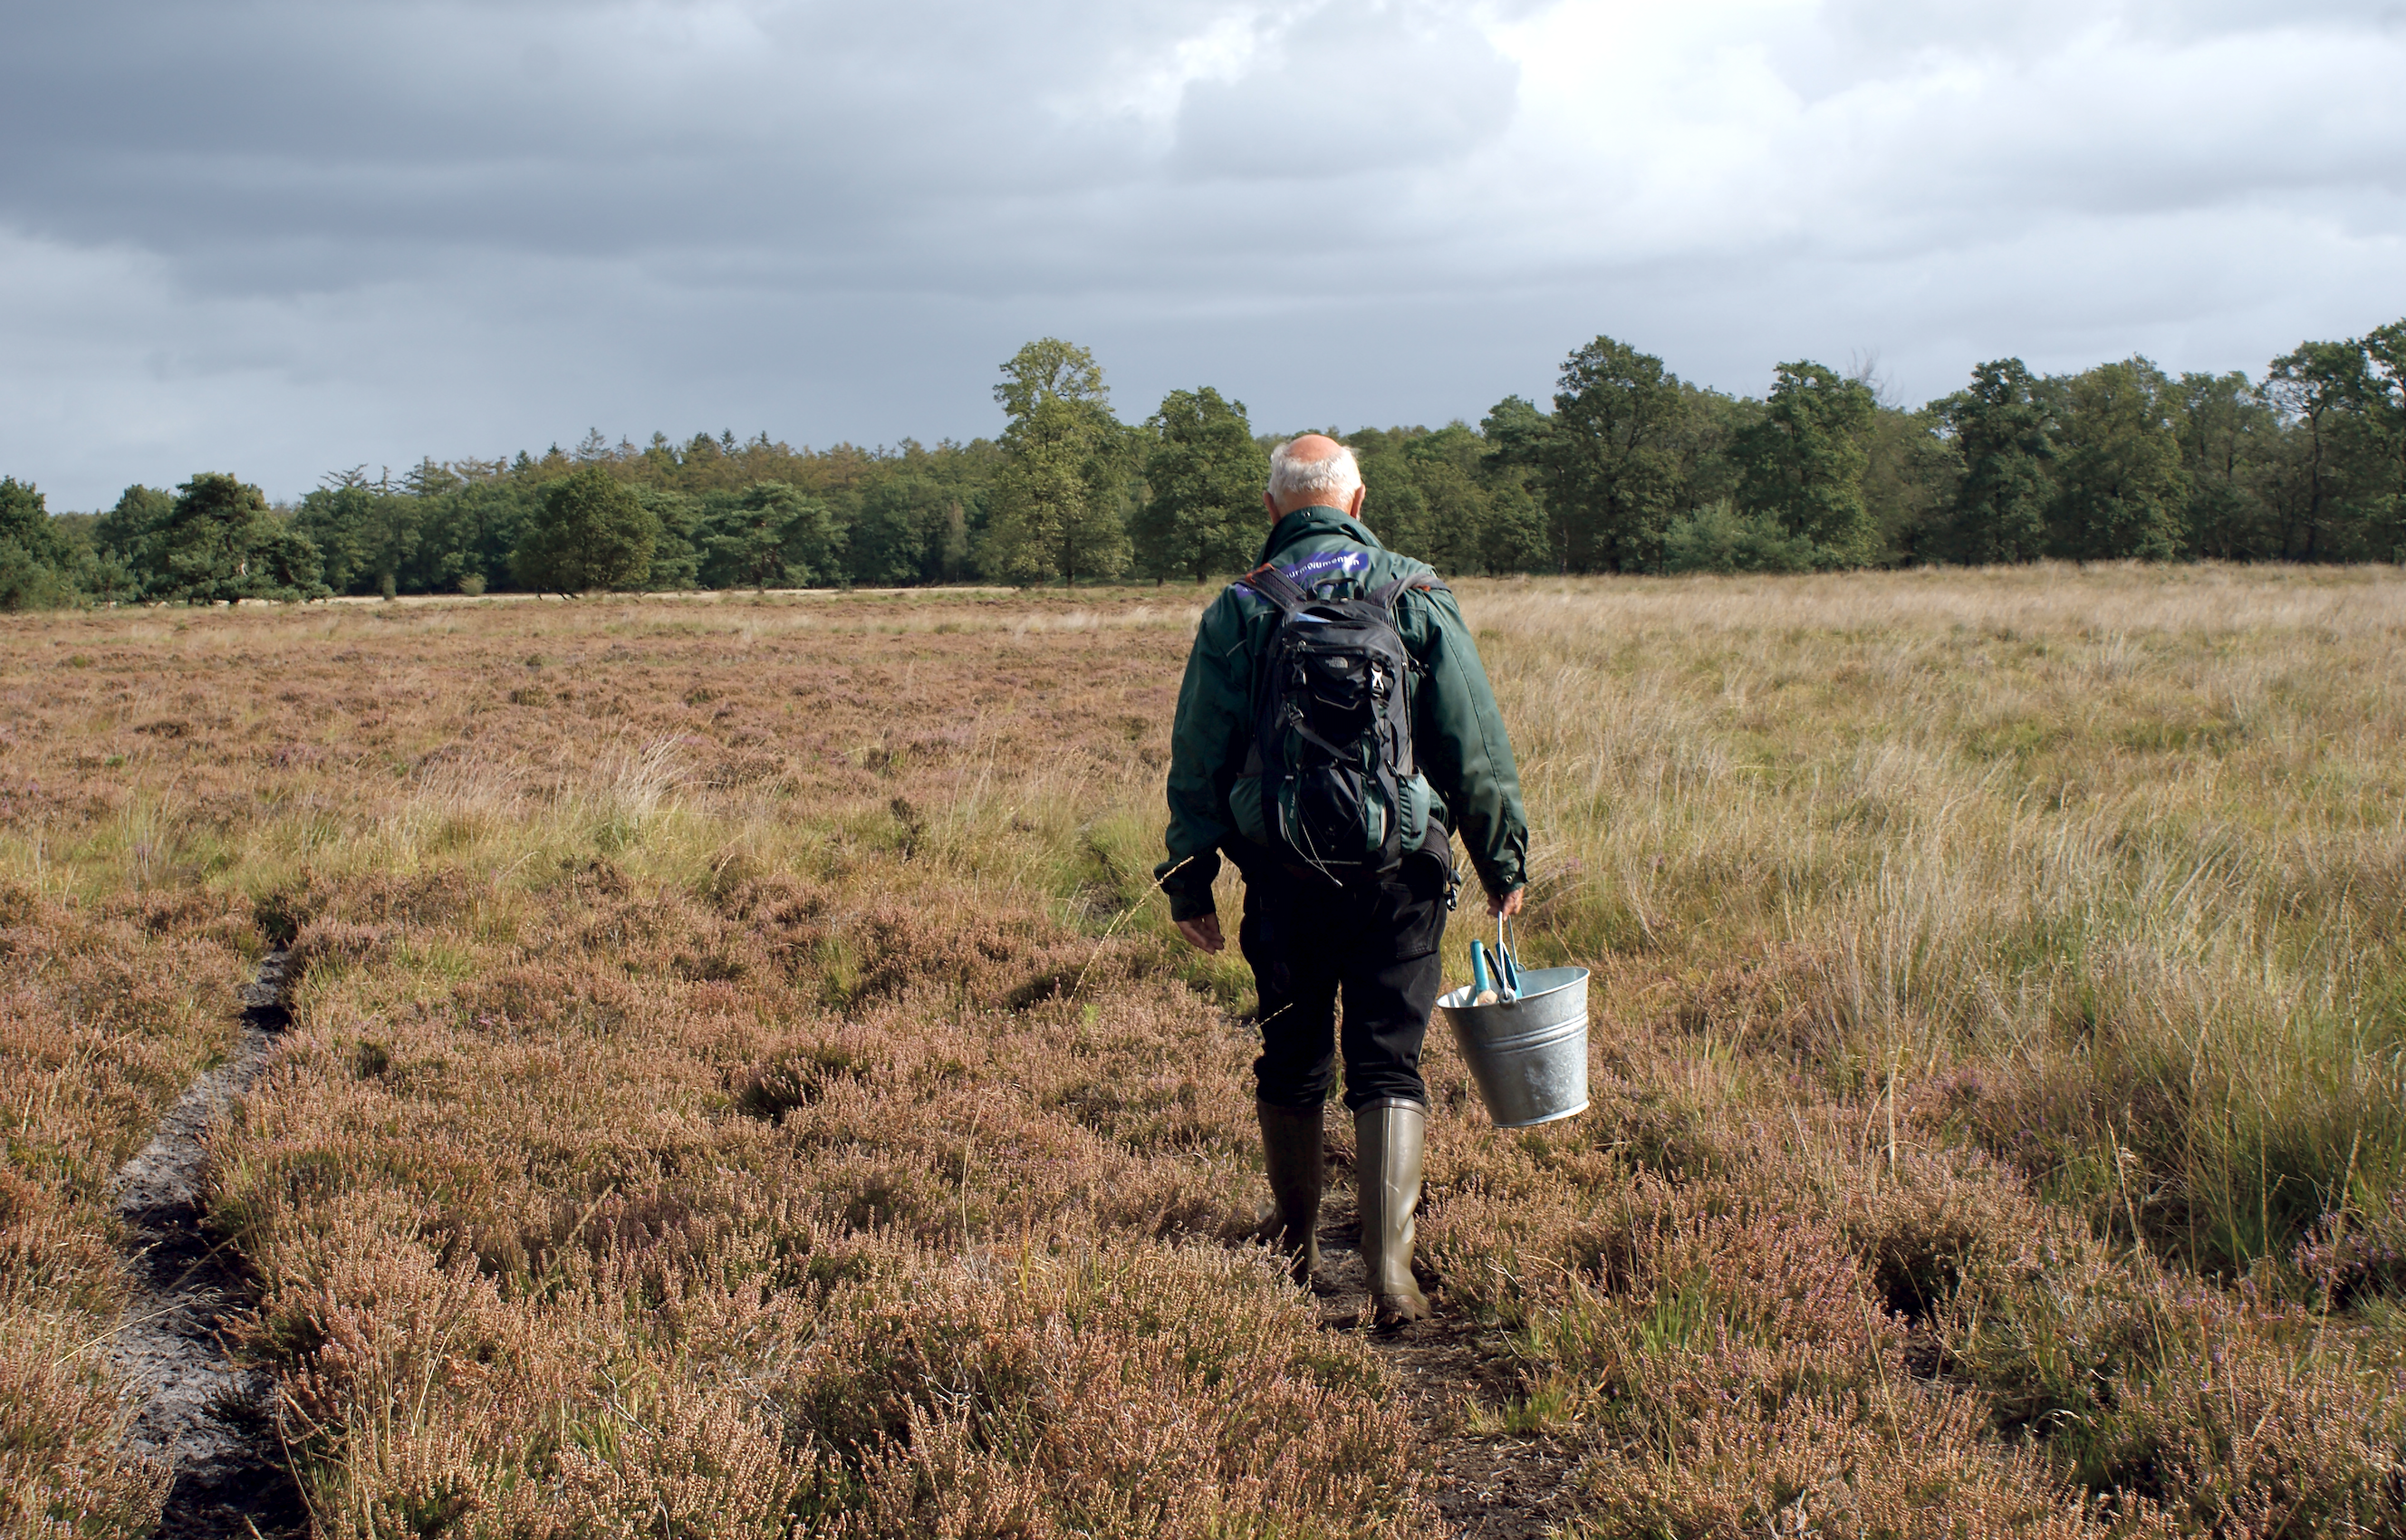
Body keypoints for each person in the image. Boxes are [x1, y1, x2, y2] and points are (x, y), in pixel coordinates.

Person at [1157, 434, 1529, 1323]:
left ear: (1272, 508)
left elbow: (1197, 753)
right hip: (1398, 873)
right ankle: (1391, 1278)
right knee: (1386, 1061)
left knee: (1290, 1057)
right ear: (1357, 504)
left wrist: (1188, 877)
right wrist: (1500, 855)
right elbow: (1471, 738)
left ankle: (1292, 1257)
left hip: (1280, 875)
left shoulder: (1241, 607)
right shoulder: (1414, 592)